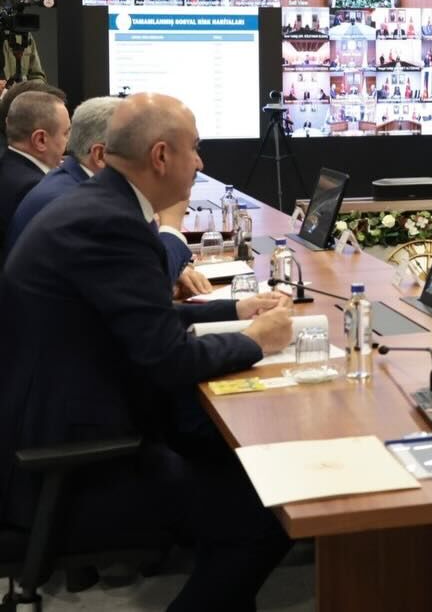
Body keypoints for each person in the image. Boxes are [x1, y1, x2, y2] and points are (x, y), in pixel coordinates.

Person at [0, 93, 295, 611]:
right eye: (195, 148)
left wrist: (235, 310)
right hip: (74, 468)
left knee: (233, 461)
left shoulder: (97, 204)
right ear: (161, 156)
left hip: (67, 429)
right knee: (263, 516)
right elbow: (168, 360)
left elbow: (141, 320)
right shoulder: (110, 222)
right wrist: (256, 341)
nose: (200, 162)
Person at [5, 96, 211, 298]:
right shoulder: (81, 206)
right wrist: (171, 224)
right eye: (137, 152)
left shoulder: (71, 184)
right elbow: (147, 288)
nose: (153, 165)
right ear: (101, 155)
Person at [0, 90, 70, 257]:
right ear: (40, 140)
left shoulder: (7, 166)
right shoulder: (37, 189)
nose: (69, 141)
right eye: (66, 133)